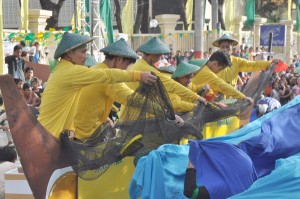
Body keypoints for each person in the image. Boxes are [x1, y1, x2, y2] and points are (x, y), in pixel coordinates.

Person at [37, 32, 157, 139]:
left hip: (57, 133)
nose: (86, 56)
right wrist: (139, 76)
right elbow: (128, 94)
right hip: (64, 136)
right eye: (83, 52)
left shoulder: (64, 69)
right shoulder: (73, 72)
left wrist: (104, 118)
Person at [73, 38, 157, 140]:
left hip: (77, 129)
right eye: (126, 65)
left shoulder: (95, 69)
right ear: (118, 60)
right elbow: (133, 99)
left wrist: (105, 118)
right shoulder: (109, 79)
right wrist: (164, 112)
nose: (126, 70)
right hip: (85, 135)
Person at [126, 37, 206, 114]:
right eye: (159, 55)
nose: (160, 58)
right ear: (154, 55)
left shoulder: (138, 65)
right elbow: (172, 86)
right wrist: (197, 98)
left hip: (133, 111)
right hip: (138, 114)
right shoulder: (147, 69)